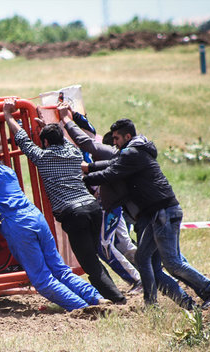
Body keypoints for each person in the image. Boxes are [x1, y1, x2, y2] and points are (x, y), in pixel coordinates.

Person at [59, 106, 198, 310]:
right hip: (139, 213)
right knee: (152, 258)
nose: (114, 143)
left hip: (139, 212)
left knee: (118, 249)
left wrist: (67, 120)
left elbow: (87, 142)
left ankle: (149, 285)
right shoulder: (120, 154)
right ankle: (168, 298)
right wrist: (75, 117)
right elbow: (90, 142)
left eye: (116, 139)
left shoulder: (115, 153)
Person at [83, 118, 210, 309]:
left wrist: (84, 177)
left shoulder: (132, 153)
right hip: (156, 214)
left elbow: (111, 172)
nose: (114, 142)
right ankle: (168, 304)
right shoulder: (133, 151)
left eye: (117, 138)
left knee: (173, 263)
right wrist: (89, 168)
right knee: (144, 260)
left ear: (128, 136)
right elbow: (113, 163)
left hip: (162, 212)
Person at [3, 98, 126, 304]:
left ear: (46, 142)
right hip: (91, 207)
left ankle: (116, 298)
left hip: (73, 214)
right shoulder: (73, 151)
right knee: (93, 255)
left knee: (89, 263)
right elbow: (63, 141)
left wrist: (8, 116)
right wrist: (49, 129)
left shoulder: (42, 157)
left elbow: (22, 138)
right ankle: (109, 292)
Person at [0, 150, 107, 311]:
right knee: (60, 270)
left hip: (18, 224)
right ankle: (96, 298)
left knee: (42, 279)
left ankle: (82, 308)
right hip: (35, 216)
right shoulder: (6, 170)